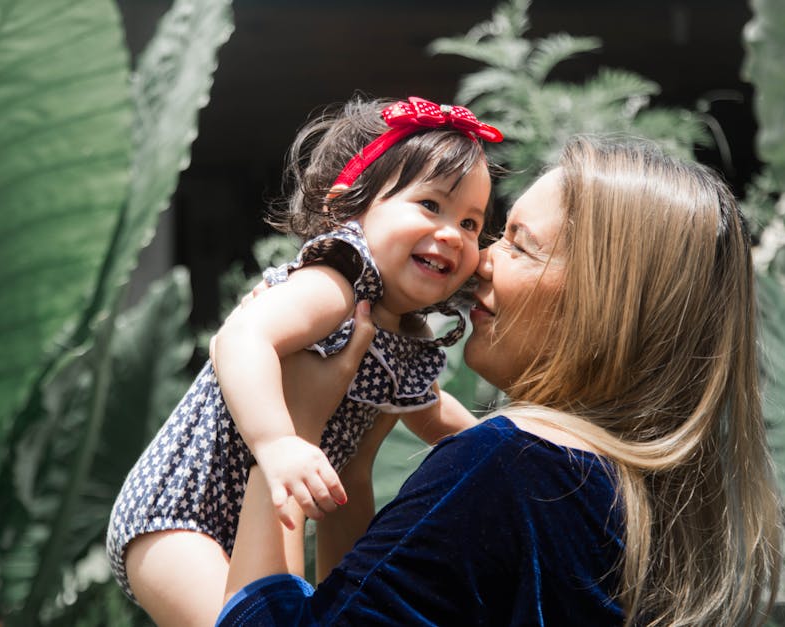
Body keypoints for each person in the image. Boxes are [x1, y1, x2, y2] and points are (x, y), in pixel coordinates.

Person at [217, 135, 783, 626]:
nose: (480, 259)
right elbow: (360, 604)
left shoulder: (508, 467)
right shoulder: (631, 493)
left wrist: (293, 427)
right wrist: (355, 466)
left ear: (600, 303)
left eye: (519, 244)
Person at [106, 95, 503, 626]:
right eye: (431, 206)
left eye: (473, 223)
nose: (454, 233)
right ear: (353, 206)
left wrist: (501, 447)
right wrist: (276, 442)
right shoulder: (337, 280)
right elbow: (240, 338)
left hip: (260, 508)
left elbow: (432, 414)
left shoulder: (405, 329)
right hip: (180, 513)